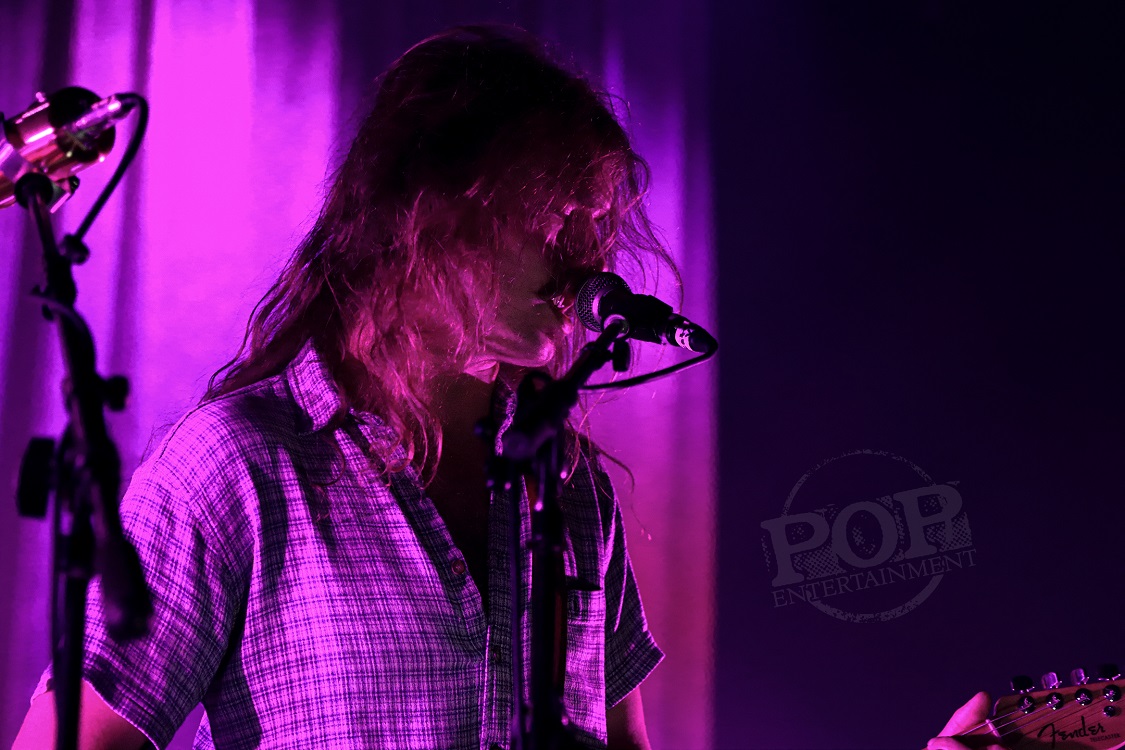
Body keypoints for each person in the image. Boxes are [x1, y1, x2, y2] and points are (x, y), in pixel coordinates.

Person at [14, 25, 670, 750]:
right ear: (431, 214)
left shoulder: (571, 484)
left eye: (595, 226)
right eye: (554, 218)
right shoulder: (235, 465)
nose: (586, 257)